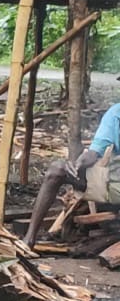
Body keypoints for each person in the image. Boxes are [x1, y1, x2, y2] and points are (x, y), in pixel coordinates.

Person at [24, 103, 120, 245]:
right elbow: (95, 151)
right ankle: (29, 239)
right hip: (114, 183)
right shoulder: (116, 113)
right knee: (57, 169)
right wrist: (78, 164)